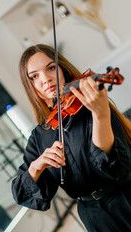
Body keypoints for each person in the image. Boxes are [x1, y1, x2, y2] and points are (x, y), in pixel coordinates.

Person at [11, 44, 131, 232]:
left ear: (62, 70)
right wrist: (37, 165)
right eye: (34, 76)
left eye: (51, 68)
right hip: (93, 216)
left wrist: (100, 115)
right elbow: (22, 194)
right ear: (30, 86)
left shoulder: (90, 104)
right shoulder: (40, 136)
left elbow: (113, 166)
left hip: (125, 198)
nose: (46, 79)